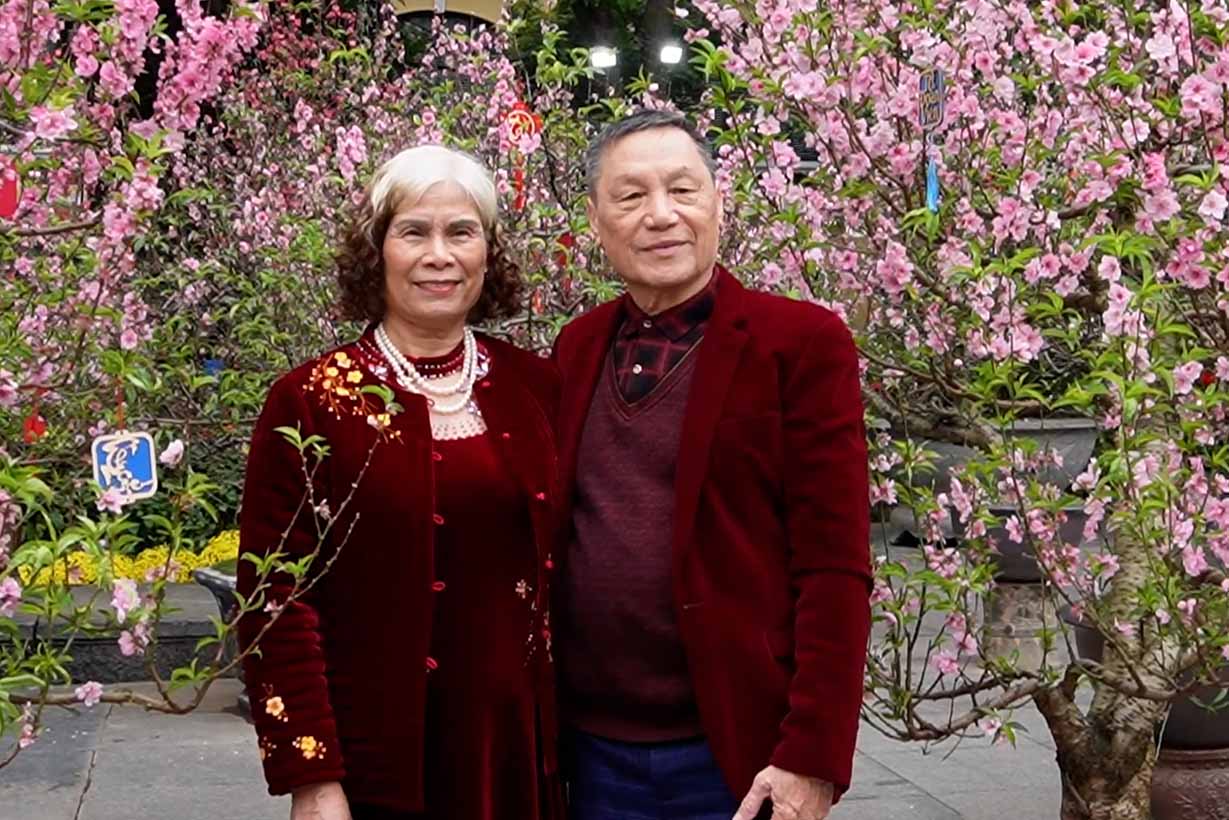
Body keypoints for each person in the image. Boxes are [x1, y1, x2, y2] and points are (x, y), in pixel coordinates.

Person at [552, 110, 872, 820]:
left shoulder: (798, 344)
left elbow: (834, 566)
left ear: (718, 204)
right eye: (630, 197)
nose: (659, 215)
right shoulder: (576, 349)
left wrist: (810, 759)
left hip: (731, 749)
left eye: (682, 190)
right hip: (589, 751)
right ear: (597, 221)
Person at [237, 145, 564, 820]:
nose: (438, 255)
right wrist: (312, 775)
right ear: (377, 249)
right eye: (413, 231)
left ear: (487, 252)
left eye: (461, 232)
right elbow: (274, 598)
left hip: (514, 753)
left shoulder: (535, 389)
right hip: (374, 756)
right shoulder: (311, 401)